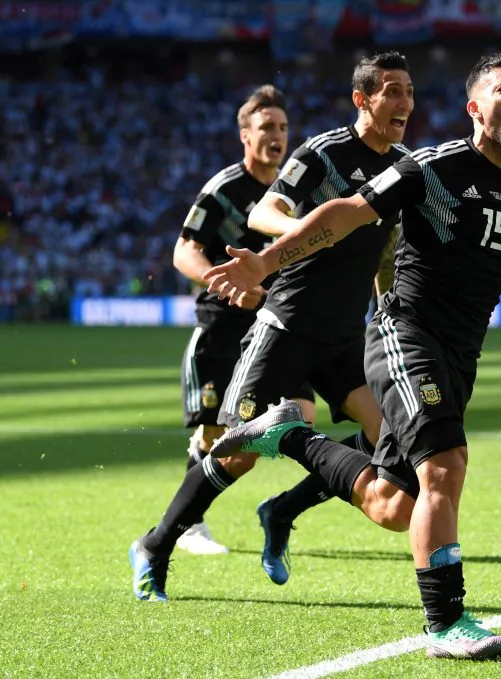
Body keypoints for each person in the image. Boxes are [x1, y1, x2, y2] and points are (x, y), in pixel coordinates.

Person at [205, 50, 501, 660]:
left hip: (461, 353)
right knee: (446, 465)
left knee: (393, 505)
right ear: (474, 107)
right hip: (405, 334)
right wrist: (266, 262)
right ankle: (447, 625)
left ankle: (290, 437)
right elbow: (345, 214)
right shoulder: (430, 168)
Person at [129, 53, 415, 602]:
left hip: (344, 339)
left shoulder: (400, 168)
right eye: (391, 91)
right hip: (286, 324)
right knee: (237, 450)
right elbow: (264, 213)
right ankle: (156, 544)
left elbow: (385, 256)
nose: (404, 102)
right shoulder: (323, 154)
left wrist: (388, 318)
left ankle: (283, 509)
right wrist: (316, 229)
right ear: (363, 100)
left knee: (392, 442)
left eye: (408, 91)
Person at [163, 84, 314, 557]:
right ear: (245, 136)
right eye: (267, 127)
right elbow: (183, 250)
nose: (277, 136)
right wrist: (227, 283)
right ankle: (188, 525)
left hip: (271, 329)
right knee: (211, 434)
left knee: (298, 417)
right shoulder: (224, 188)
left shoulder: (293, 190)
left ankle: (281, 508)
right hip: (221, 332)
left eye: (283, 128)